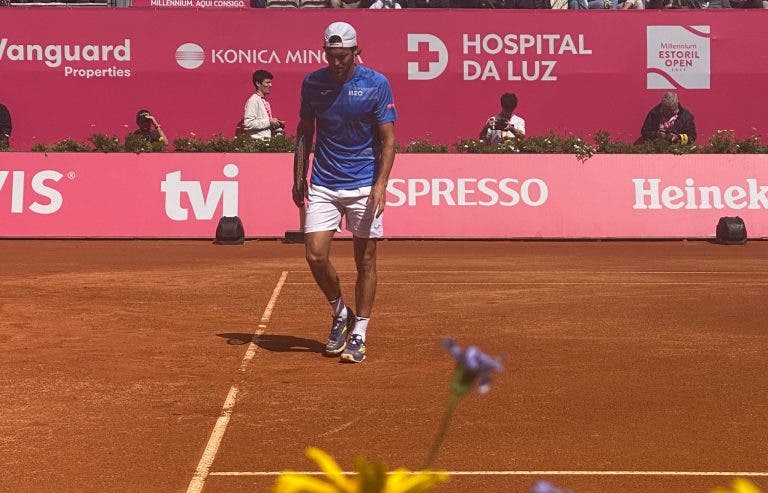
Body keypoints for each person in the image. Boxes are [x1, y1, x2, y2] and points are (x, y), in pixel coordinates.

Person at [292, 21, 397, 364]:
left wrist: (380, 185)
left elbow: (388, 139)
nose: (336, 63)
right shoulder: (312, 83)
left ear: (356, 53)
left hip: (364, 183)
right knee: (315, 255)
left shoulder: (376, 84)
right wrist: (297, 176)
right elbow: (304, 131)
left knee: (364, 260)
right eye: (330, 56)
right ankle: (340, 312)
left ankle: (360, 333)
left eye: (342, 56)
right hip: (323, 180)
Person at [243, 69, 285, 140]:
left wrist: (276, 123)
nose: (270, 85)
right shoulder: (253, 100)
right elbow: (248, 123)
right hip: (257, 145)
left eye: (270, 82)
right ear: (258, 84)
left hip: (265, 144)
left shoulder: (264, 101)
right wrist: (269, 121)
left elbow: (265, 124)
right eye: (267, 82)